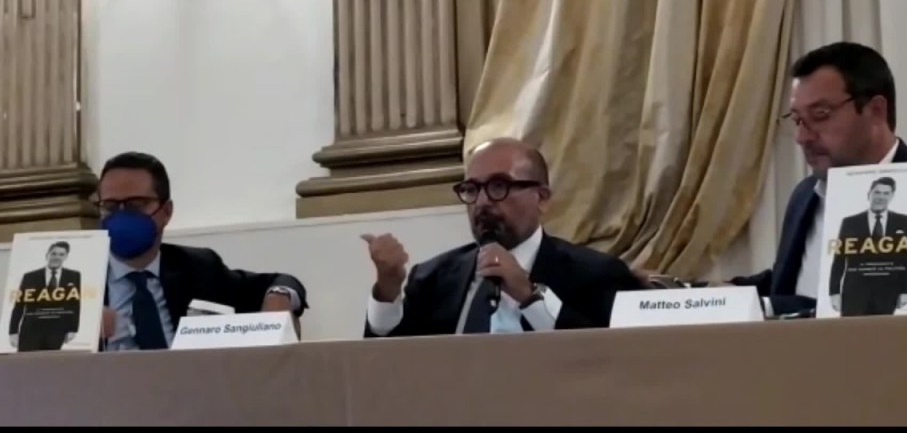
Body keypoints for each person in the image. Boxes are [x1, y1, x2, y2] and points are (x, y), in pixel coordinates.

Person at [729, 41, 907, 316]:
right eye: (797, 120)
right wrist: (717, 294)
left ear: (875, 111)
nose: (802, 137)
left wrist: (775, 308)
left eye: (820, 115)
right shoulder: (806, 194)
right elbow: (794, 280)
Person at [362, 138, 643, 337]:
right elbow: (387, 367)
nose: (482, 202)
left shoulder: (597, 274)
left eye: (498, 186)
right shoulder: (433, 278)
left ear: (542, 198)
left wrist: (530, 297)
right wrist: (388, 290)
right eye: (471, 189)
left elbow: (610, 363)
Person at [96, 151, 308, 350]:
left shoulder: (198, 268)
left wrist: (279, 296)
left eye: (136, 205)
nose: (121, 216)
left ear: (166, 212)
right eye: (110, 206)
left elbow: (280, 281)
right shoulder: (80, 277)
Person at [829, 176, 907, 316]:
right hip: (854, 292)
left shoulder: (903, 221)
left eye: (886, 193)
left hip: (888, 292)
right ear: (869, 194)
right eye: (877, 192)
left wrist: (906, 290)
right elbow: (839, 259)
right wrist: (834, 292)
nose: (881, 197)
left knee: (883, 329)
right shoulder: (850, 222)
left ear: (892, 196)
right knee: (851, 329)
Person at [8, 241, 82, 352]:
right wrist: (13, 331)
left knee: (51, 361)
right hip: (31, 330)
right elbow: (19, 305)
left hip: (57, 330)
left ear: (66, 256)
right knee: (27, 361)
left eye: (61, 254)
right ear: (47, 254)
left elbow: (75, 304)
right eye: (54, 253)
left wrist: (73, 329)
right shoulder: (30, 276)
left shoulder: (74, 276)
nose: (57, 257)